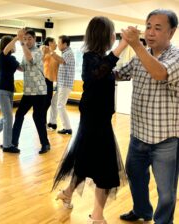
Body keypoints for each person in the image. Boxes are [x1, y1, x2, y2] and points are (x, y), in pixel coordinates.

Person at [53, 16, 128, 223]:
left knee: (86, 162)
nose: (115, 36)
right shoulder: (90, 57)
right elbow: (97, 74)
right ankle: (97, 216)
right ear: (104, 35)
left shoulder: (102, 58)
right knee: (104, 168)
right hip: (94, 122)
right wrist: (122, 46)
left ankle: (68, 193)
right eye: (113, 32)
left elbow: (105, 74)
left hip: (99, 120)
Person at [117, 9, 179, 224]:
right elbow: (117, 73)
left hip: (166, 140)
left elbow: (160, 73)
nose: (150, 32)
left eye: (157, 28)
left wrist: (136, 45)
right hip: (138, 135)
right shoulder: (140, 57)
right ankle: (142, 211)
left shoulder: (176, 56)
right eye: (148, 27)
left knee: (167, 192)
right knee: (135, 177)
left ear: (171, 33)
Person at [12, 29, 50, 154]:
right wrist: (12, 63)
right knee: (19, 114)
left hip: (39, 91)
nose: (27, 41)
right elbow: (23, 68)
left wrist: (21, 42)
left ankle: (45, 144)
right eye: (25, 39)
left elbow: (31, 59)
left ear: (34, 39)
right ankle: (13, 142)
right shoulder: (25, 52)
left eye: (29, 39)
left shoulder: (38, 51)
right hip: (28, 91)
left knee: (37, 117)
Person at [0, 33, 22, 153]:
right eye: (13, 43)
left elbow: (22, 69)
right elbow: (6, 50)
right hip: (1, 91)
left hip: (9, 90)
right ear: (8, 45)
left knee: (6, 117)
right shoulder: (2, 56)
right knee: (8, 117)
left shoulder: (12, 59)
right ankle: (7, 145)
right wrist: (17, 38)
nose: (15, 45)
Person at [48, 35, 75, 134]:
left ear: (65, 44)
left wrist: (51, 51)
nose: (58, 45)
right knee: (54, 102)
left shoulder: (68, 53)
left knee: (60, 105)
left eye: (59, 43)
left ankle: (67, 128)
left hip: (65, 85)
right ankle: (52, 122)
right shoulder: (64, 53)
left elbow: (61, 60)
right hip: (61, 85)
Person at [41, 37, 59, 128]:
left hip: (50, 81)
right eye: (54, 42)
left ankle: (42, 122)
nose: (56, 44)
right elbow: (40, 61)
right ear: (49, 43)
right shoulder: (44, 50)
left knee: (47, 102)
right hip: (45, 80)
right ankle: (42, 123)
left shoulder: (54, 54)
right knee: (46, 103)